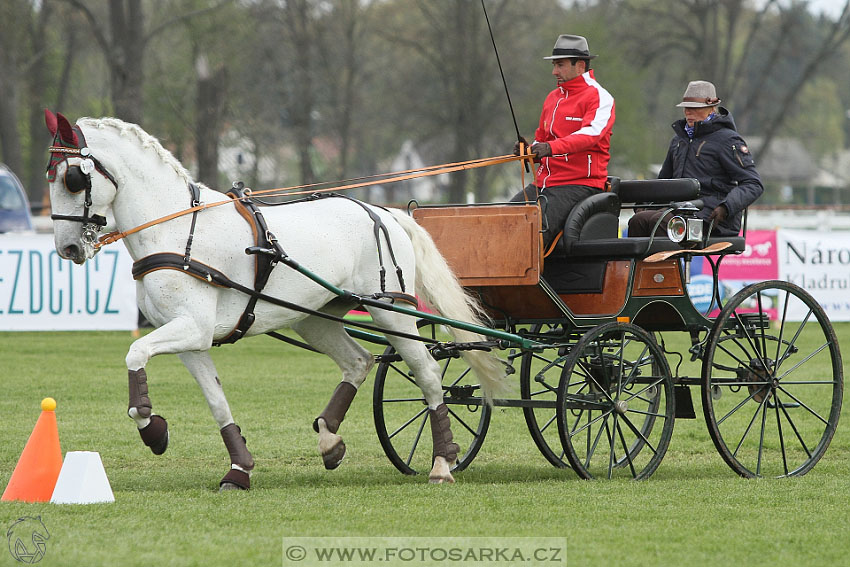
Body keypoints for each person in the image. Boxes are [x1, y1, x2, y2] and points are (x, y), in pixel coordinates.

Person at [510, 34, 615, 250]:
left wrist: (550, 148)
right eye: (554, 65)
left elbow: (590, 135)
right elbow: (543, 138)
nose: (554, 71)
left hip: (580, 184)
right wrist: (528, 151)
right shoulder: (552, 98)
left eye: (560, 65)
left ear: (581, 66)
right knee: (499, 220)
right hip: (543, 184)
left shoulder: (600, 97)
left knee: (530, 232)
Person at [628, 80, 763, 238]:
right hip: (677, 211)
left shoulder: (729, 141)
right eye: (686, 108)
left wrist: (726, 207)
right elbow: (663, 182)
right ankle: (638, 264)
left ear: (712, 108)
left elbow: (753, 184)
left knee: (663, 222)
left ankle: (668, 263)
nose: (688, 113)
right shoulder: (678, 141)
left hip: (713, 217)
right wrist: (644, 204)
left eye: (695, 108)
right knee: (638, 221)